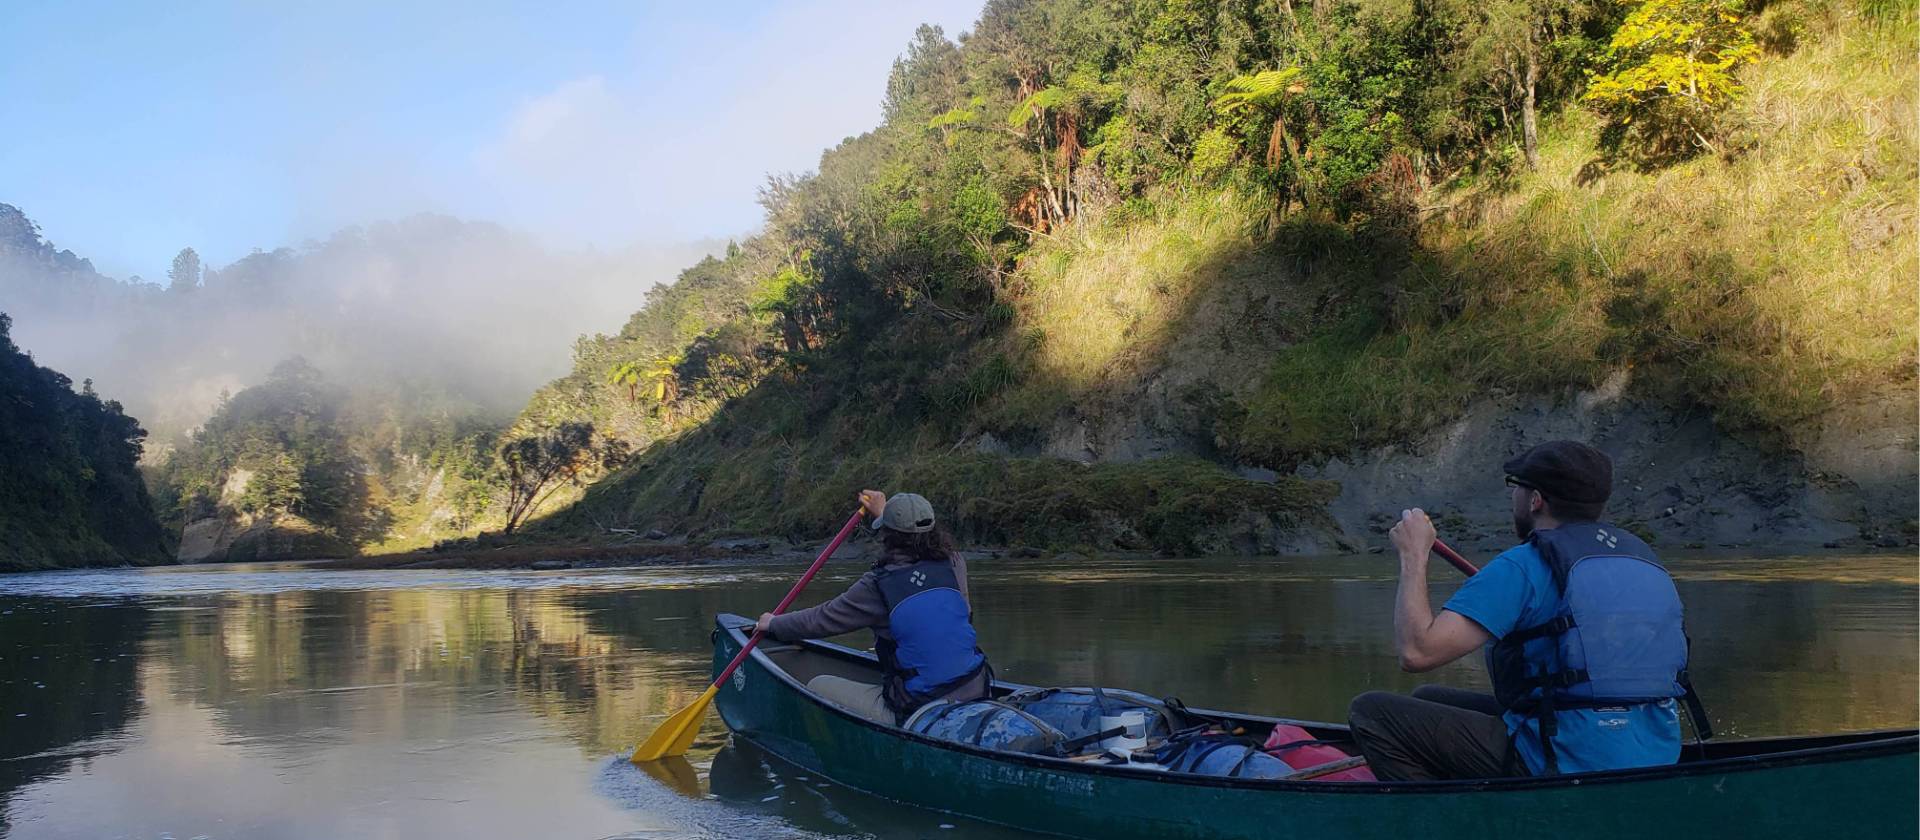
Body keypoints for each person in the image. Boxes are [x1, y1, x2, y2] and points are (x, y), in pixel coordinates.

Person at [1347, 440, 1710, 781]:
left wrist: (1413, 554)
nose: (1513, 497)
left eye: (1516, 486)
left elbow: (1417, 652)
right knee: (1430, 698)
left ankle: (1447, 816)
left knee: (1372, 712)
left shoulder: (1523, 565)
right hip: (1655, 749)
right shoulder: (1643, 560)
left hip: (1570, 756)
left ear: (1535, 500)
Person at [757, 489, 991, 725]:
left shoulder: (878, 586)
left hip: (920, 705)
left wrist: (774, 623)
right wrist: (887, 513)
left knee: (817, 685)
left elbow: (821, 620)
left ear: (888, 535)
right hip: (977, 686)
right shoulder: (954, 563)